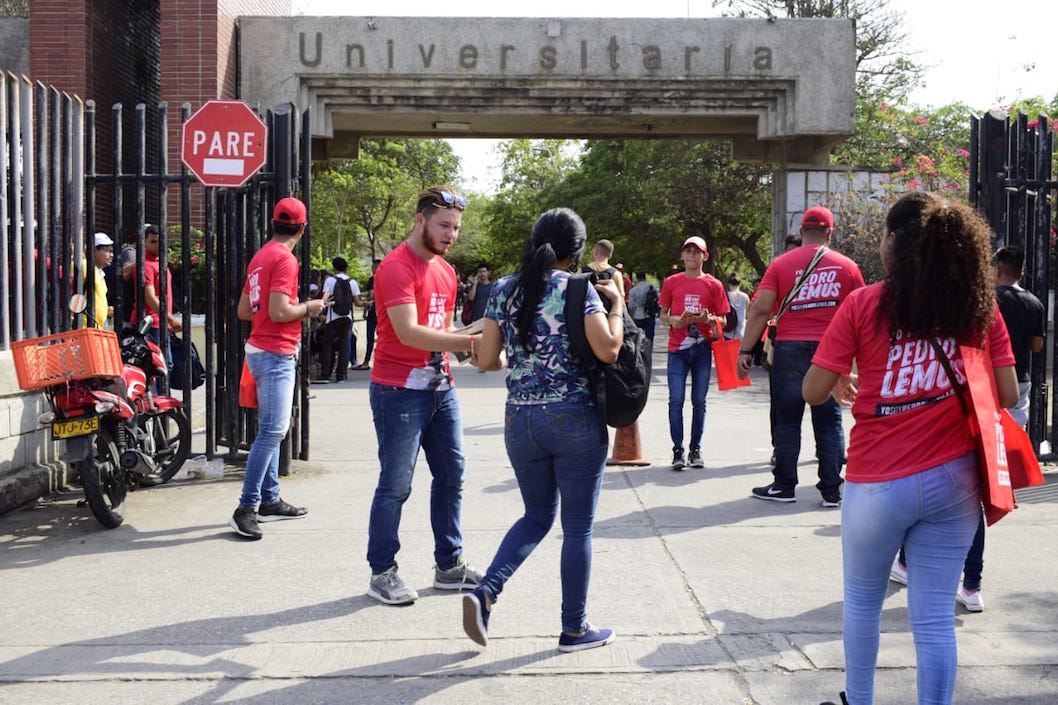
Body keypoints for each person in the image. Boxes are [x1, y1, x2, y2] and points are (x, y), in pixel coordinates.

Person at [803, 192, 1017, 705]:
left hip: (877, 481)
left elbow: (812, 389)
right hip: (954, 482)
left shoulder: (864, 303)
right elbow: (1007, 395)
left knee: (861, 602)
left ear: (897, 242)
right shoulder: (978, 307)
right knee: (935, 617)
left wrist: (841, 378)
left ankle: (858, 699)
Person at [463, 207, 623, 653]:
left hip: (520, 421)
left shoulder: (502, 290)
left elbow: (486, 361)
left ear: (533, 244)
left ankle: (486, 591)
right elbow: (608, 350)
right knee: (577, 528)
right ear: (575, 255)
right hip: (572, 417)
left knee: (535, 516)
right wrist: (619, 306)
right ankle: (574, 629)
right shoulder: (578, 289)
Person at [890, 243, 1045, 614]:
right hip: (1009, 386)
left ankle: (910, 563)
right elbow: (1037, 346)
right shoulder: (1033, 303)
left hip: (963, 397)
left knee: (930, 490)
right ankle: (972, 585)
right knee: (985, 477)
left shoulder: (976, 302)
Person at [365, 185, 482, 606]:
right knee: (395, 485)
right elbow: (409, 333)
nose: (451, 235)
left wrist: (481, 333)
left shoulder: (446, 271)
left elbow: (442, 332)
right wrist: (469, 345)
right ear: (420, 220)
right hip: (398, 391)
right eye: (444, 225)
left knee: (452, 476)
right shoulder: (397, 267)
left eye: (456, 228)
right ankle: (383, 572)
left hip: (440, 389)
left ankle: (449, 566)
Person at [738, 207, 864, 505]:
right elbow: (862, 314)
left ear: (803, 231)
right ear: (830, 234)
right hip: (830, 352)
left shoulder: (781, 264)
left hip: (790, 351)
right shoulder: (847, 267)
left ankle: (783, 486)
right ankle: (832, 489)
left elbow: (760, 310)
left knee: (787, 420)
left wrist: (745, 350)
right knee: (829, 420)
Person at [229, 197, 326, 541]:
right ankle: (247, 507)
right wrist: (310, 307)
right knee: (272, 431)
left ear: (274, 223)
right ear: (302, 228)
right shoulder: (285, 259)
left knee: (269, 430)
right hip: (275, 352)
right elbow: (280, 311)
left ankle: (269, 499)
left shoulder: (260, 257)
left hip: (259, 350)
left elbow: (245, 309)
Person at [659, 236, 730, 470]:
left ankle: (695, 449)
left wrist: (708, 319)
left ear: (705, 256)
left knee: (699, 402)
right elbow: (662, 315)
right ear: (682, 256)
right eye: (687, 251)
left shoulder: (714, 285)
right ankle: (677, 450)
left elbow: (724, 319)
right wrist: (674, 321)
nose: (691, 255)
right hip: (677, 350)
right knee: (675, 400)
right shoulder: (671, 282)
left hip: (701, 349)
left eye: (696, 252)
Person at [122, 223, 183, 368]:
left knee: (163, 364)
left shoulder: (158, 261)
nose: (157, 245)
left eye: (160, 241)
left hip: (158, 321)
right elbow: (149, 297)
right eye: (153, 242)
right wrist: (171, 319)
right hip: (150, 323)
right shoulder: (146, 264)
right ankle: (157, 391)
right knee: (159, 365)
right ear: (144, 243)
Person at [315, 257, 361, 383]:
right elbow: (357, 302)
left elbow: (325, 297)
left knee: (328, 344)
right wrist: (366, 303)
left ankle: (326, 373)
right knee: (344, 345)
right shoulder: (353, 282)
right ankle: (341, 374)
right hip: (347, 317)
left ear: (334, 268)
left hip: (333, 316)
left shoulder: (330, 280)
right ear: (346, 268)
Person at [355, 258, 381, 370]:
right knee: (382, 337)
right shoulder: (387, 278)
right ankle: (381, 361)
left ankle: (366, 361)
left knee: (370, 338)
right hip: (383, 312)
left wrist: (365, 311)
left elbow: (371, 295)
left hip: (373, 311)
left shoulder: (373, 279)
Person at [89, 232, 115, 329]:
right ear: (94, 250)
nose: (111, 255)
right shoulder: (85, 267)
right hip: (87, 325)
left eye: (111, 251)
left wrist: (107, 309)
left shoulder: (100, 272)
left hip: (99, 326)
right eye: (107, 251)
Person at [626, 271, 657, 344]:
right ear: (645, 278)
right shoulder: (652, 288)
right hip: (650, 314)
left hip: (638, 316)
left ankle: (638, 352)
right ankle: (649, 351)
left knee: (636, 337)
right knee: (650, 336)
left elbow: (630, 306)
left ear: (637, 279)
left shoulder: (633, 291)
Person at [725, 272, 750, 341]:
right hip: (741, 329)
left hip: (728, 329)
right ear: (740, 284)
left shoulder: (726, 295)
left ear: (729, 284)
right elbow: (748, 314)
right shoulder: (745, 296)